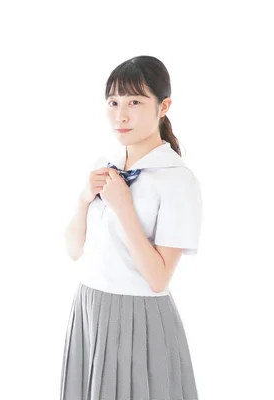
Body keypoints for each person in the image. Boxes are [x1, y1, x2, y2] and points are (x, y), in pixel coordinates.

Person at [60, 55, 203, 400]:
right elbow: (74, 251)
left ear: (163, 105)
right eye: (113, 102)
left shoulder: (177, 180)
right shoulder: (104, 166)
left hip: (138, 316)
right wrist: (82, 200)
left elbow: (158, 279)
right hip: (89, 305)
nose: (120, 114)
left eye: (135, 102)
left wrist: (123, 207)